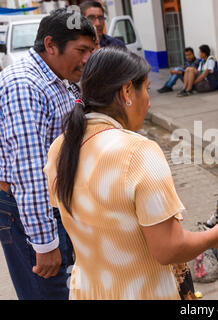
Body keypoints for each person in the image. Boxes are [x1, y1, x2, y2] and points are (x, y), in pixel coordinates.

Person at [43, 47, 218, 300]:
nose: (148, 100)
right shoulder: (138, 151)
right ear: (127, 91)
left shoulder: (60, 147)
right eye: (146, 89)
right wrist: (214, 236)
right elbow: (169, 249)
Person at [0, 9, 96, 300]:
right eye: (81, 51)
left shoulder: (60, 77)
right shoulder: (24, 86)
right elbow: (31, 175)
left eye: (90, 51)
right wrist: (44, 245)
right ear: (51, 45)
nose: (86, 59)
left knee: (68, 288)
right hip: (26, 210)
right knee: (48, 291)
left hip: (56, 202)